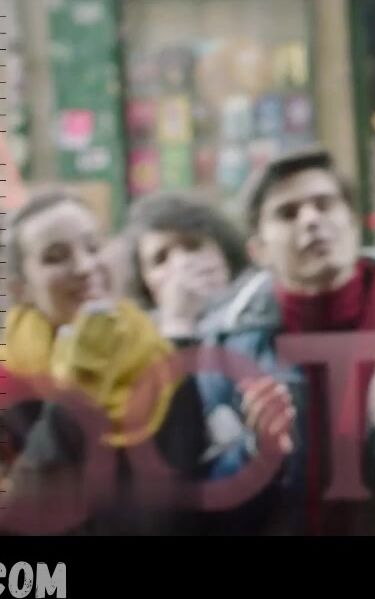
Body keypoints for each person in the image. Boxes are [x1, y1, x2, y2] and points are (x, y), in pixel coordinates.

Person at [0, 189, 289, 535]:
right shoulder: (11, 393)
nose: (85, 266)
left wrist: (258, 454)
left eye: (93, 247)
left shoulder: (158, 361)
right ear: (21, 289)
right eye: (55, 257)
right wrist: (74, 396)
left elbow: (190, 504)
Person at [197, 149, 375, 535]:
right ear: (258, 250)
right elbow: (210, 508)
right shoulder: (225, 347)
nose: (311, 220)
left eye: (324, 204)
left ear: (353, 222)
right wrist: (257, 455)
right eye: (288, 213)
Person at [123, 191, 251, 343]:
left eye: (192, 247)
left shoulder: (263, 309)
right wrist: (177, 323)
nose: (182, 264)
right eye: (161, 259)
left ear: (224, 252)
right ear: (144, 283)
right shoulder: (135, 344)